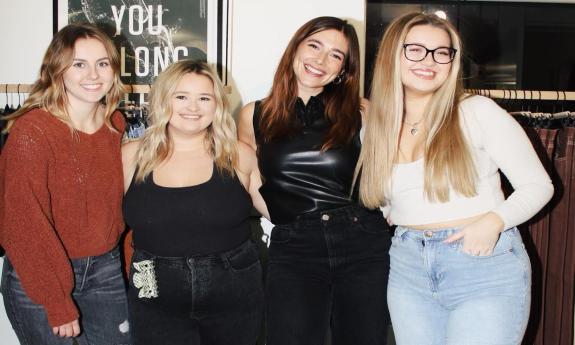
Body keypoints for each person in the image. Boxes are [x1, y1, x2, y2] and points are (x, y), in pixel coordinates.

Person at [356, 12, 554, 345]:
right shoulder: (374, 128)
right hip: (408, 269)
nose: (429, 61)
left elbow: (539, 185)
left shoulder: (476, 111)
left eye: (441, 52)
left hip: (482, 265)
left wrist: (494, 221)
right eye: (415, 49)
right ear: (392, 54)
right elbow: (389, 197)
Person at [238, 16, 391, 345]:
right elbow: (250, 177)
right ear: (295, 48)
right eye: (315, 46)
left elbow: (391, 173)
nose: (321, 60)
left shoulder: (363, 112)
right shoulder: (253, 114)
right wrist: (281, 217)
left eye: (336, 55)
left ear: (344, 69)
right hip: (295, 246)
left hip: (361, 242)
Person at [0, 23, 131, 344]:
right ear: (58, 70)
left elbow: (121, 207)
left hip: (104, 268)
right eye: (79, 64)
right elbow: (23, 223)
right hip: (41, 275)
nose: (93, 75)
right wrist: (57, 301)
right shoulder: (33, 131)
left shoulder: (116, 124)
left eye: (102, 64)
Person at [122, 60, 267, 345]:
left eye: (204, 98)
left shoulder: (239, 155)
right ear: (164, 100)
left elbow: (283, 213)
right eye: (181, 97)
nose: (193, 107)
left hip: (234, 288)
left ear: (217, 105)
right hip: (152, 287)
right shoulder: (130, 156)